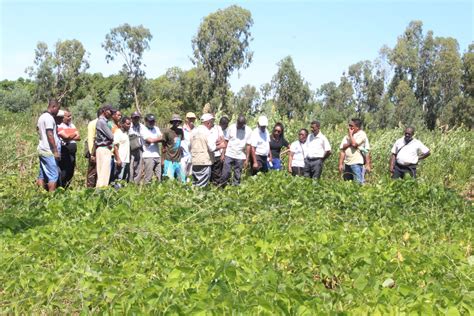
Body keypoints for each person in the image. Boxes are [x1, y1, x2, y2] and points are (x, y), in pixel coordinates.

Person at [190, 113, 225, 187]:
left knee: (195, 183)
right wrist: (221, 146)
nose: (212, 125)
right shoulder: (207, 132)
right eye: (212, 123)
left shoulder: (193, 131)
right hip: (204, 162)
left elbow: (189, 146)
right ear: (208, 123)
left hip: (195, 161)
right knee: (202, 185)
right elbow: (212, 148)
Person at [36, 99, 61, 192]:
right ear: (53, 107)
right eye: (57, 109)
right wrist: (55, 151)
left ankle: (41, 195)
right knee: (54, 175)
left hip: (42, 149)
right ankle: (51, 198)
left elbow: (38, 130)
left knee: (42, 174)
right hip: (48, 151)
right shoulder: (49, 118)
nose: (58, 111)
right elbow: (49, 134)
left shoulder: (41, 117)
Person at [220, 115, 252, 186]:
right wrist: (223, 154)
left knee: (237, 174)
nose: (239, 125)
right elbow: (226, 141)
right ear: (236, 122)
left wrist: (247, 159)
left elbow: (248, 145)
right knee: (225, 173)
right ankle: (222, 187)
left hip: (240, 155)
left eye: (241, 124)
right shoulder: (231, 127)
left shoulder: (249, 130)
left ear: (244, 124)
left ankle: (235, 189)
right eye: (238, 123)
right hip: (229, 154)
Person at [338, 118, 370, 184]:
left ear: (357, 127)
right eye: (349, 125)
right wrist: (340, 164)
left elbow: (355, 144)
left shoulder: (362, 134)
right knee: (347, 184)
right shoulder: (346, 136)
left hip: (356, 163)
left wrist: (350, 136)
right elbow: (342, 149)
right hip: (347, 163)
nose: (349, 127)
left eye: (351, 126)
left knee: (358, 183)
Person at [57, 110, 81, 188]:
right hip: (65, 149)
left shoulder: (72, 125)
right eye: (68, 116)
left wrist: (70, 135)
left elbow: (79, 137)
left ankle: (67, 186)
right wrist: (74, 134)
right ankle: (61, 187)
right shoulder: (60, 125)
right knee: (64, 170)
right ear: (63, 117)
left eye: (70, 116)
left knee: (71, 170)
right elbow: (66, 138)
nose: (70, 118)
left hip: (72, 151)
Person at [94, 104, 115, 188]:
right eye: (110, 111)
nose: (111, 114)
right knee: (104, 174)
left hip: (102, 149)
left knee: (103, 173)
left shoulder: (103, 121)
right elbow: (111, 136)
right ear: (104, 111)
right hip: (104, 149)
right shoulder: (102, 122)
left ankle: (99, 192)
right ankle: (101, 192)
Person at [162, 114, 185, 182]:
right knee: (169, 180)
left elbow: (180, 144)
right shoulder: (167, 132)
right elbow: (163, 147)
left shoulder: (180, 131)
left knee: (182, 180)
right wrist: (163, 160)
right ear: (172, 122)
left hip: (178, 160)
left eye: (178, 121)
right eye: (175, 121)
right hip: (169, 160)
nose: (177, 123)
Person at [141, 114, 162, 184]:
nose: (152, 123)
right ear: (146, 121)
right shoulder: (143, 129)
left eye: (153, 121)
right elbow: (150, 140)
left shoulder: (156, 128)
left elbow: (161, 138)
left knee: (159, 176)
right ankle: (145, 192)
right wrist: (155, 139)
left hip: (157, 155)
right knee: (148, 177)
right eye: (150, 121)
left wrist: (154, 139)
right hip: (148, 156)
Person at [112, 116, 132, 187]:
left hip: (126, 160)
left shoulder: (127, 133)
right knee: (118, 179)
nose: (129, 126)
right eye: (127, 124)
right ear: (122, 124)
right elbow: (115, 146)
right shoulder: (118, 132)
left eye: (130, 124)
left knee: (125, 179)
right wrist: (118, 159)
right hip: (120, 160)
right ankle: (116, 195)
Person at [86, 108, 102, 188]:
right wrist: (92, 154)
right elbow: (91, 139)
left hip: (102, 151)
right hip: (94, 150)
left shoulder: (106, 123)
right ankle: (90, 190)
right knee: (92, 172)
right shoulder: (93, 123)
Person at [210, 116, 229, 185]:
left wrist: (223, 154)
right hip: (210, 154)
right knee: (211, 171)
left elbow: (223, 142)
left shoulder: (219, 129)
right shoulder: (208, 129)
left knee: (217, 172)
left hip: (218, 154)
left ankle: (216, 186)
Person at [129, 111, 146, 184]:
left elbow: (144, 136)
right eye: (134, 118)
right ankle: (130, 181)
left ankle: (136, 182)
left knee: (139, 166)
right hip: (130, 149)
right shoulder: (129, 126)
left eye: (137, 118)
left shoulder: (142, 126)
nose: (136, 119)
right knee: (130, 165)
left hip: (139, 148)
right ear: (131, 118)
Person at [180, 112, 196, 181]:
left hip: (192, 155)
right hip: (183, 155)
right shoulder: (181, 129)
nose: (192, 120)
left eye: (193, 119)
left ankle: (188, 188)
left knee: (190, 174)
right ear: (186, 119)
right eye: (190, 119)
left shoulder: (196, 130)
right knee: (182, 174)